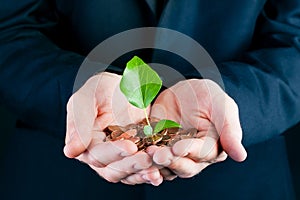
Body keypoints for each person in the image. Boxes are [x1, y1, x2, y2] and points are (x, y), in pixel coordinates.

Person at [0, 0, 299, 199]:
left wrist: (232, 99)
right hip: (57, 177)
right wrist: (79, 90)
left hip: (240, 182)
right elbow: (9, 30)